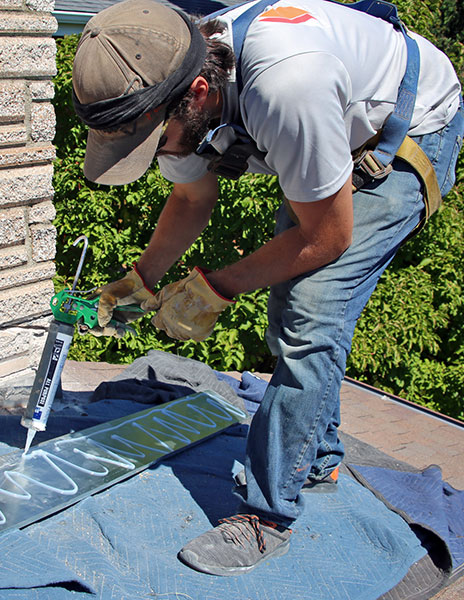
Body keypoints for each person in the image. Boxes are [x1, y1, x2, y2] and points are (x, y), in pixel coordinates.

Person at [71, 0, 463, 577]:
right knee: (292, 303)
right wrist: (141, 283)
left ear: (199, 93)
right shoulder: (174, 83)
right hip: (330, 115)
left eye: (155, 142)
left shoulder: (286, 87)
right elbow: (190, 198)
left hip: (408, 128)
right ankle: (317, 456)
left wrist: (215, 288)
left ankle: (266, 516)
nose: (156, 155)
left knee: (308, 315)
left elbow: (326, 236)